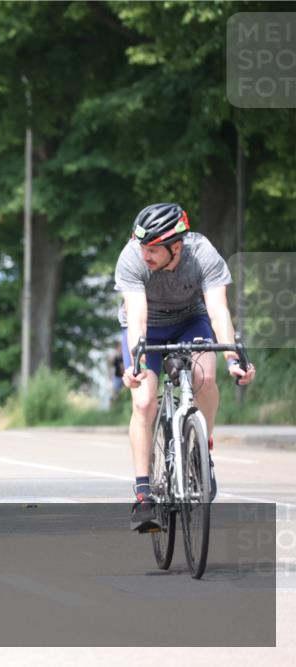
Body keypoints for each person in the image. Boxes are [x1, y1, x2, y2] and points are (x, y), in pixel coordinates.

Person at [115, 202, 256, 531]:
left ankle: (201, 453)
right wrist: (135, 364)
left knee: (204, 378)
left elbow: (218, 311)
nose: (144, 255)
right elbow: (136, 316)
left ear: (175, 247)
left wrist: (233, 360)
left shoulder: (202, 254)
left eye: (152, 249)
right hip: (147, 328)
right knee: (144, 400)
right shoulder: (131, 257)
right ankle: (143, 493)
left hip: (190, 322)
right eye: (142, 247)